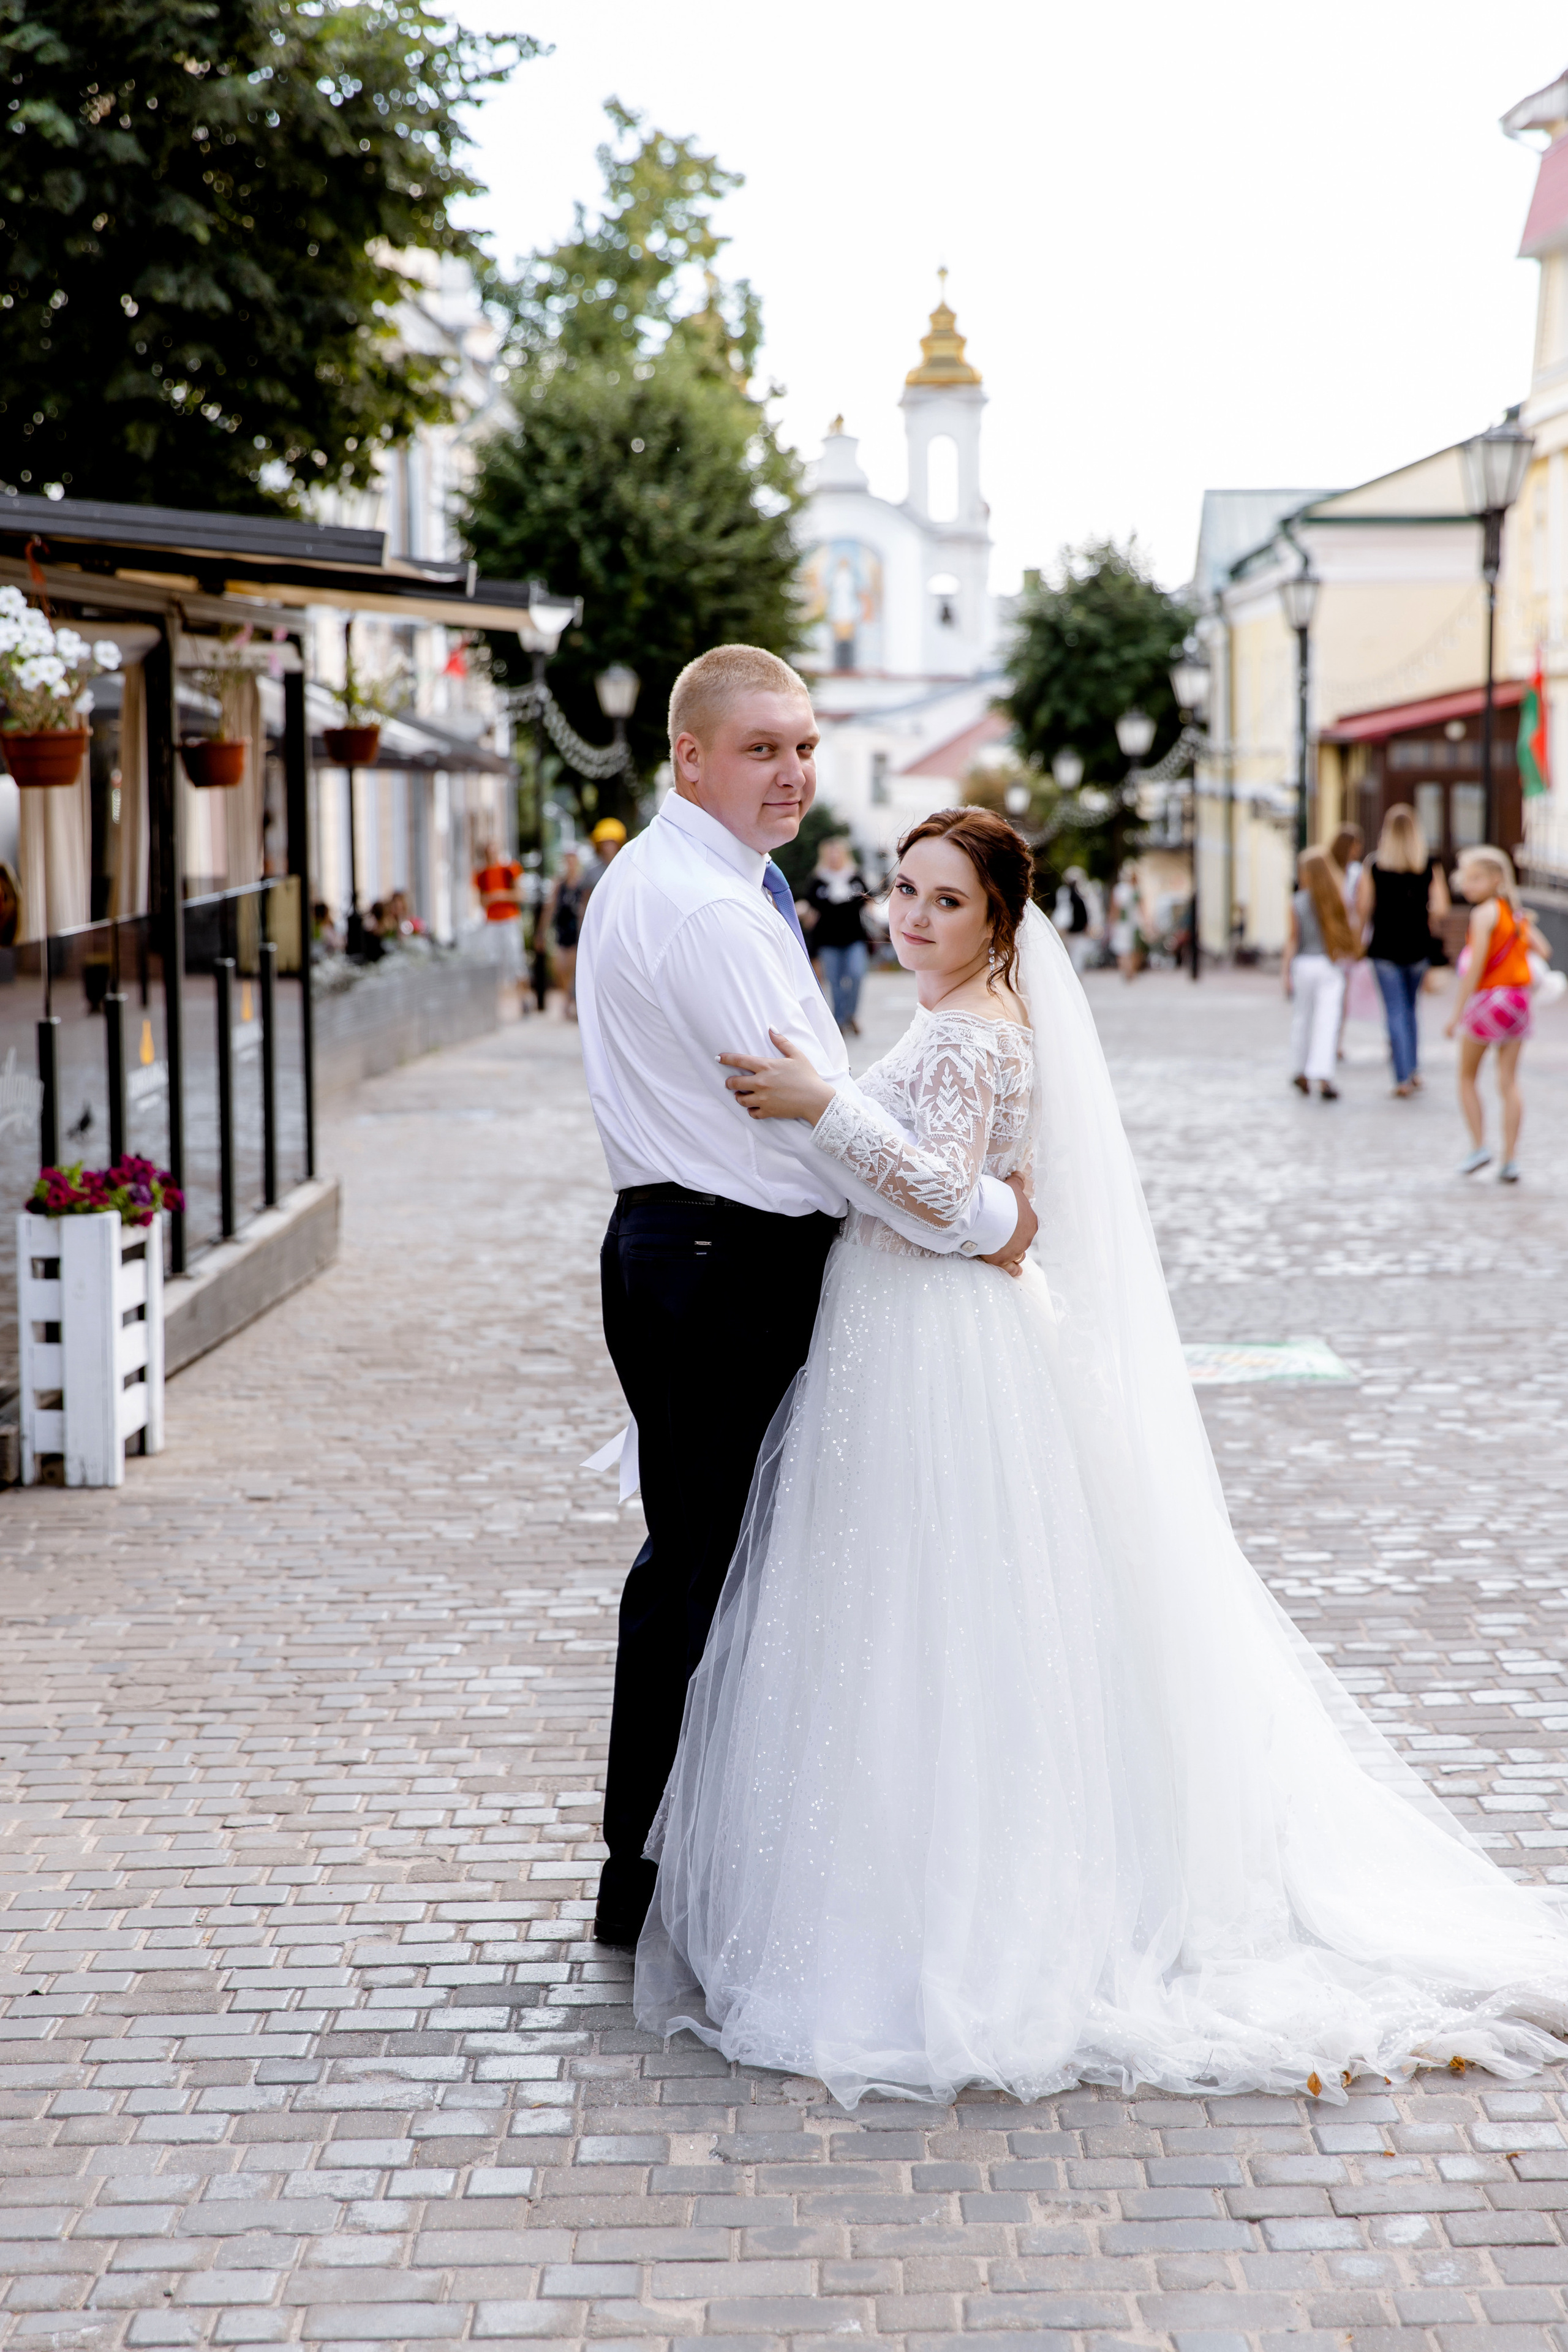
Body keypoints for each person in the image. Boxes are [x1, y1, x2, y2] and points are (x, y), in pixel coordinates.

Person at [633, 805, 1568, 2110]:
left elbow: (943, 1202)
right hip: (915, 1333)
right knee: (923, 1615)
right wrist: (867, 1124)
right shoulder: (958, 1014)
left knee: (930, 1619)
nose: (910, 915)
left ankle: (944, 1913)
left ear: (999, 922)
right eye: (903, 890)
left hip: (929, 1337)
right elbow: (987, 1205)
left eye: (943, 901)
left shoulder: (968, 1030)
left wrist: (823, 1106)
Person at [575, 647, 1035, 1951]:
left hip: (689, 1249)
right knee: (712, 1568)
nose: (793, 773)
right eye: (763, 748)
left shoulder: (677, 879)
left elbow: (824, 1112)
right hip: (723, 1260)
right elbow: (813, 1134)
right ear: (690, 758)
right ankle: (655, 1872)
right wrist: (994, 1221)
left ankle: (670, 1860)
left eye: (806, 746)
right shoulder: (714, 911)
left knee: (714, 1560)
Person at [1444, 845, 1548, 1183]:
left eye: (1476, 878)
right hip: (1518, 1001)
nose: (1468, 886)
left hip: (1490, 998)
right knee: (1508, 1081)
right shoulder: (1515, 914)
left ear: (1496, 879)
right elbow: (1544, 950)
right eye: (1466, 878)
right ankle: (1511, 1159)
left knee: (1466, 1076)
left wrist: (1457, 1013)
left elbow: (1474, 969)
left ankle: (1479, 1146)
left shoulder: (1484, 913)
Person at [1354, 805, 1450, 1097]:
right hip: (1417, 946)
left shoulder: (1374, 865)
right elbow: (1442, 908)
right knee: (1410, 1010)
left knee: (1394, 1011)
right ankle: (1413, 1069)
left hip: (1384, 947)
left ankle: (1401, 1076)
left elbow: (1363, 908)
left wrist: (1360, 939)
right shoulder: (1428, 865)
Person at [1286, 846, 1357, 1099]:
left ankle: (1301, 1070)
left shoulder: (1297, 901)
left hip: (1304, 964)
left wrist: (1285, 973)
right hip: (1329, 965)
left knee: (1303, 1019)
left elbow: (1293, 939)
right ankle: (1324, 1076)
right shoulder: (1336, 899)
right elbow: (1348, 934)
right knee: (1328, 1021)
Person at [798, 832, 874, 1033]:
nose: (834, 858)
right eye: (830, 854)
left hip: (854, 938)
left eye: (837, 854)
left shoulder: (855, 876)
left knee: (856, 975)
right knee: (835, 981)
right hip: (828, 940)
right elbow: (810, 906)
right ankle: (839, 1019)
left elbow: (869, 900)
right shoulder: (818, 880)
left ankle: (851, 1014)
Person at [541, 847, 590, 1019]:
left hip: (577, 931)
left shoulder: (583, 883)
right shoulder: (559, 885)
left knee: (575, 968)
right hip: (562, 930)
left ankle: (573, 1002)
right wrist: (542, 931)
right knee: (561, 968)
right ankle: (567, 998)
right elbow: (550, 908)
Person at [473, 840, 524, 990]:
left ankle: (522, 996)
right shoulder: (481, 874)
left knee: (515, 959)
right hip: (492, 921)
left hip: (509, 919)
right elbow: (481, 900)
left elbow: (520, 894)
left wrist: (501, 895)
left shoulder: (509, 869)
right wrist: (489, 899)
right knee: (492, 959)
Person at [1108, 863, 1142, 980]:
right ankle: (1131, 970)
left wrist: (1111, 923)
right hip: (1134, 924)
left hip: (1123, 924)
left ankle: (1126, 970)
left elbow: (1114, 909)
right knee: (1132, 948)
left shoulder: (1119, 890)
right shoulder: (1135, 890)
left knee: (1123, 949)